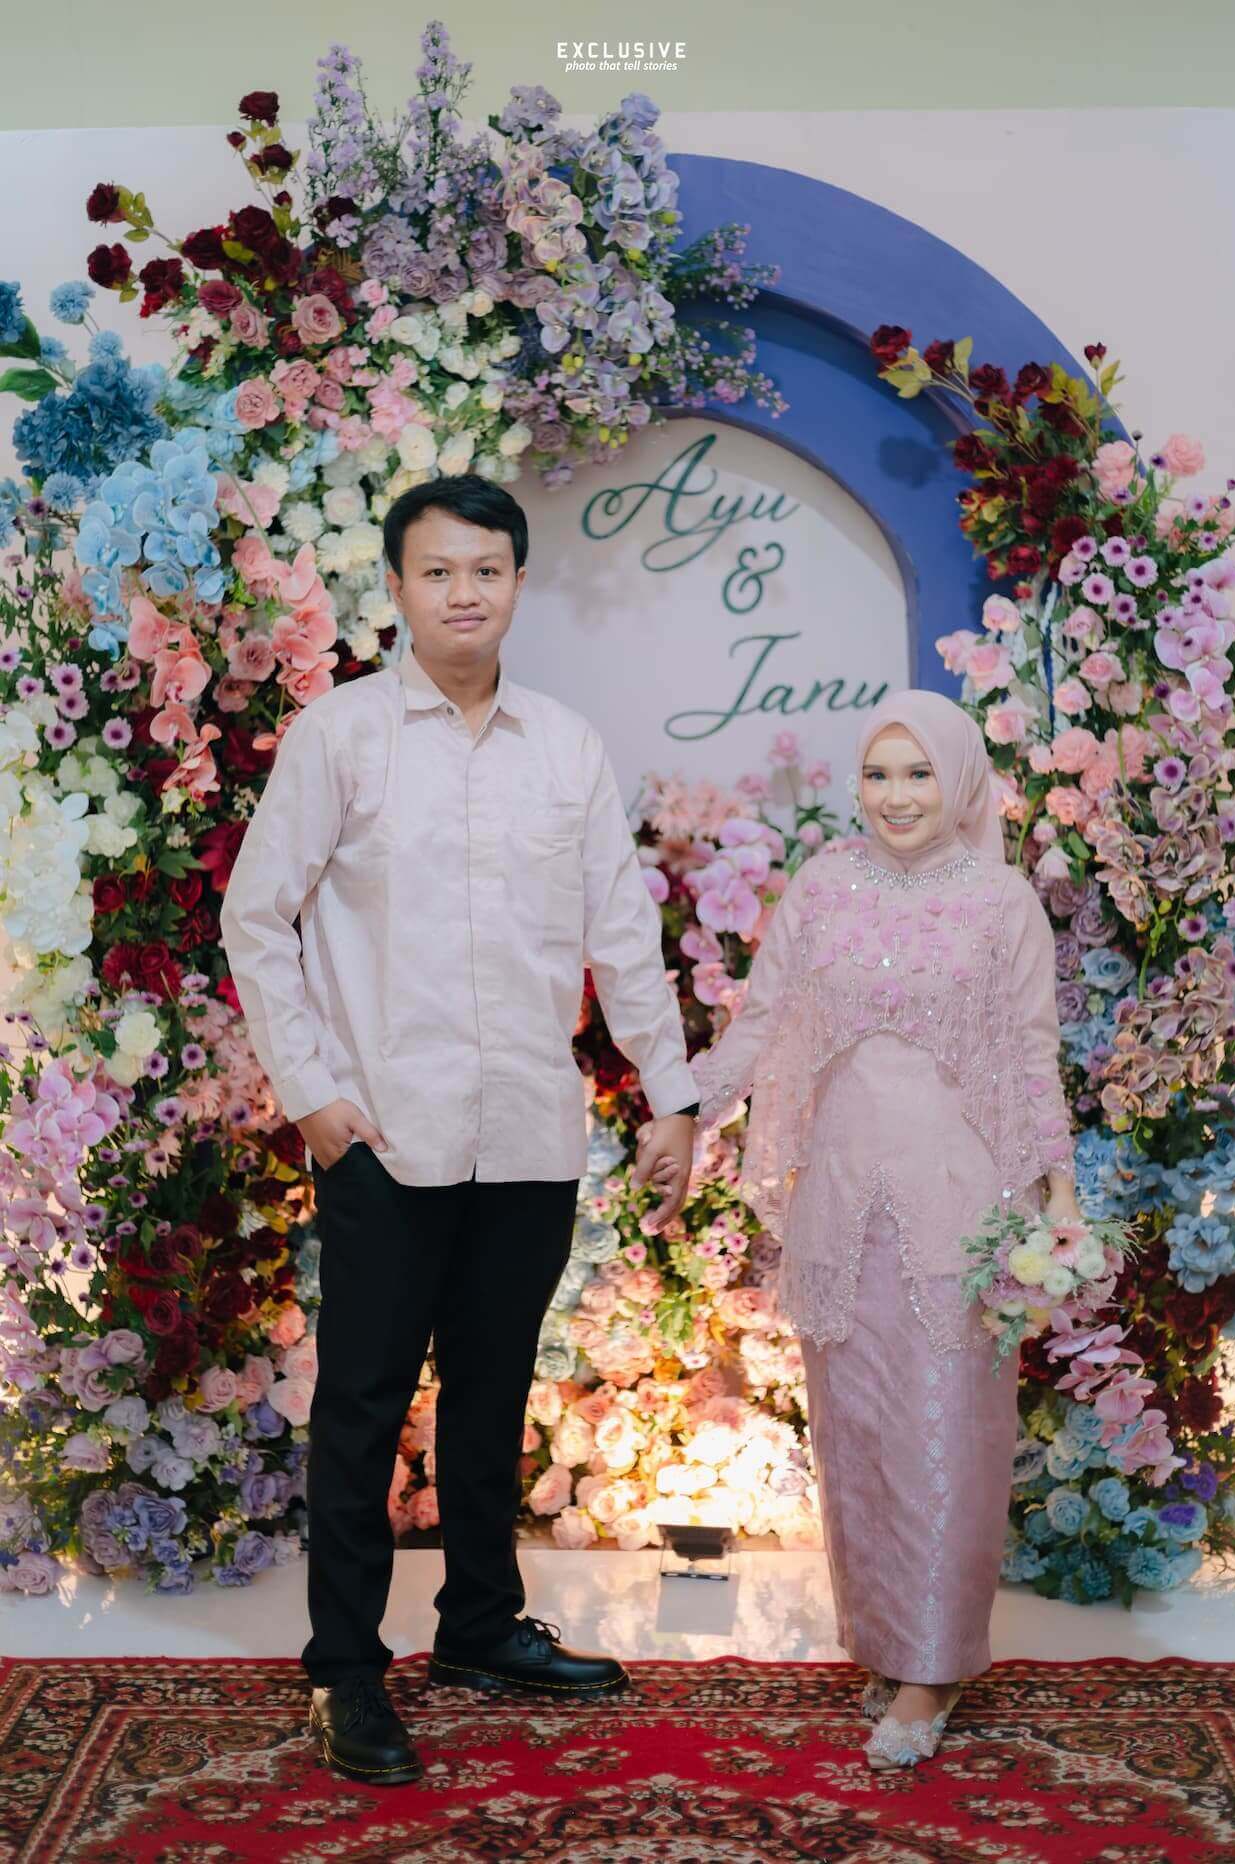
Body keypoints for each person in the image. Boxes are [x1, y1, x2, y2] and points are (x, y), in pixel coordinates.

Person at [220, 474, 699, 1786]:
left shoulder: (564, 747)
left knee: (493, 1396)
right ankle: (345, 1669)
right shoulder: (341, 737)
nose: (463, 593)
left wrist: (670, 1094)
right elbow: (256, 918)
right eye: (437, 572)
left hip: (529, 1133)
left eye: (486, 569)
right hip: (383, 1133)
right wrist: (313, 1094)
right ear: (397, 588)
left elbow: (621, 934)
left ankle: (480, 1627)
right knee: (362, 1408)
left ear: (518, 583)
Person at [651, 689, 1078, 1769]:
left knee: (948, 1430)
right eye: (878, 774)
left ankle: (933, 1668)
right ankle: (888, 1638)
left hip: (959, 1205)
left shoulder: (1000, 902)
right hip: (841, 1199)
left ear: (959, 781)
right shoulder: (824, 886)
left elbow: (1031, 1055)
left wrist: (1060, 1197)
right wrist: (686, 1109)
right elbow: (760, 1023)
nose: (895, 796)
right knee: (861, 1430)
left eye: (918, 773)